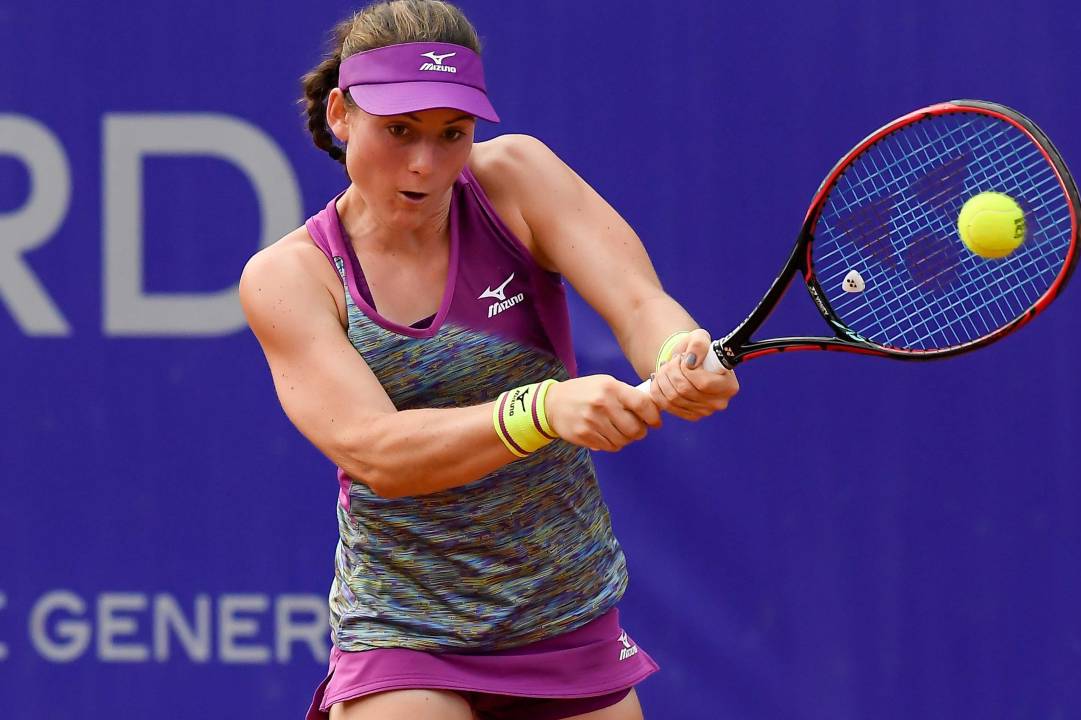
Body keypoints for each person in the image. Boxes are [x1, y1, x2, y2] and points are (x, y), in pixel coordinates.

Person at [238, 1, 738, 718]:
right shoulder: (290, 277)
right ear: (342, 114)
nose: (425, 163)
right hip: (405, 628)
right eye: (399, 130)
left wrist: (678, 354)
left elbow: (638, 303)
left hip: (565, 611)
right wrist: (541, 410)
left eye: (453, 133)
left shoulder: (518, 178)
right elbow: (379, 452)